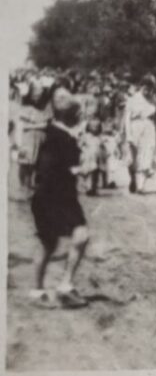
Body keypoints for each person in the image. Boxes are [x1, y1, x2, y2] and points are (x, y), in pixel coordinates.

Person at [29, 89, 91, 309]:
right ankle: (58, 287)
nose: (81, 116)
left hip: (57, 195)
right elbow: (48, 168)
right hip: (53, 196)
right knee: (63, 239)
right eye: (78, 112)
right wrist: (77, 170)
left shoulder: (58, 131)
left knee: (52, 243)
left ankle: (48, 289)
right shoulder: (57, 136)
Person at [125, 75, 156, 194]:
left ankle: (141, 185)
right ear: (140, 87)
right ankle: (133, 178)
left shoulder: (154, 101)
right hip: (135, 127)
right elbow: (127, 118)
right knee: (132, 158)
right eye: (145, 88)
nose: (147, 91)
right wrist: (128, 134)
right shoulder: (132, 100)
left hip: (149, 128)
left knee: (147, 154)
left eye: (150, 89)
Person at [17, 79, 52, 192]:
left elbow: (47, 124)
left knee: (36, 162)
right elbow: (23, 125)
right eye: (36, 90)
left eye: (40, 90)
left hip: (41, 137)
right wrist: (39, 125)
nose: (38, 93)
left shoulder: (47, 106)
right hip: (28, 138)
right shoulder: (25, 105)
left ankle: (31, 185)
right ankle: (23, 185)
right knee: (25, 162)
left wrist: (35, 125)